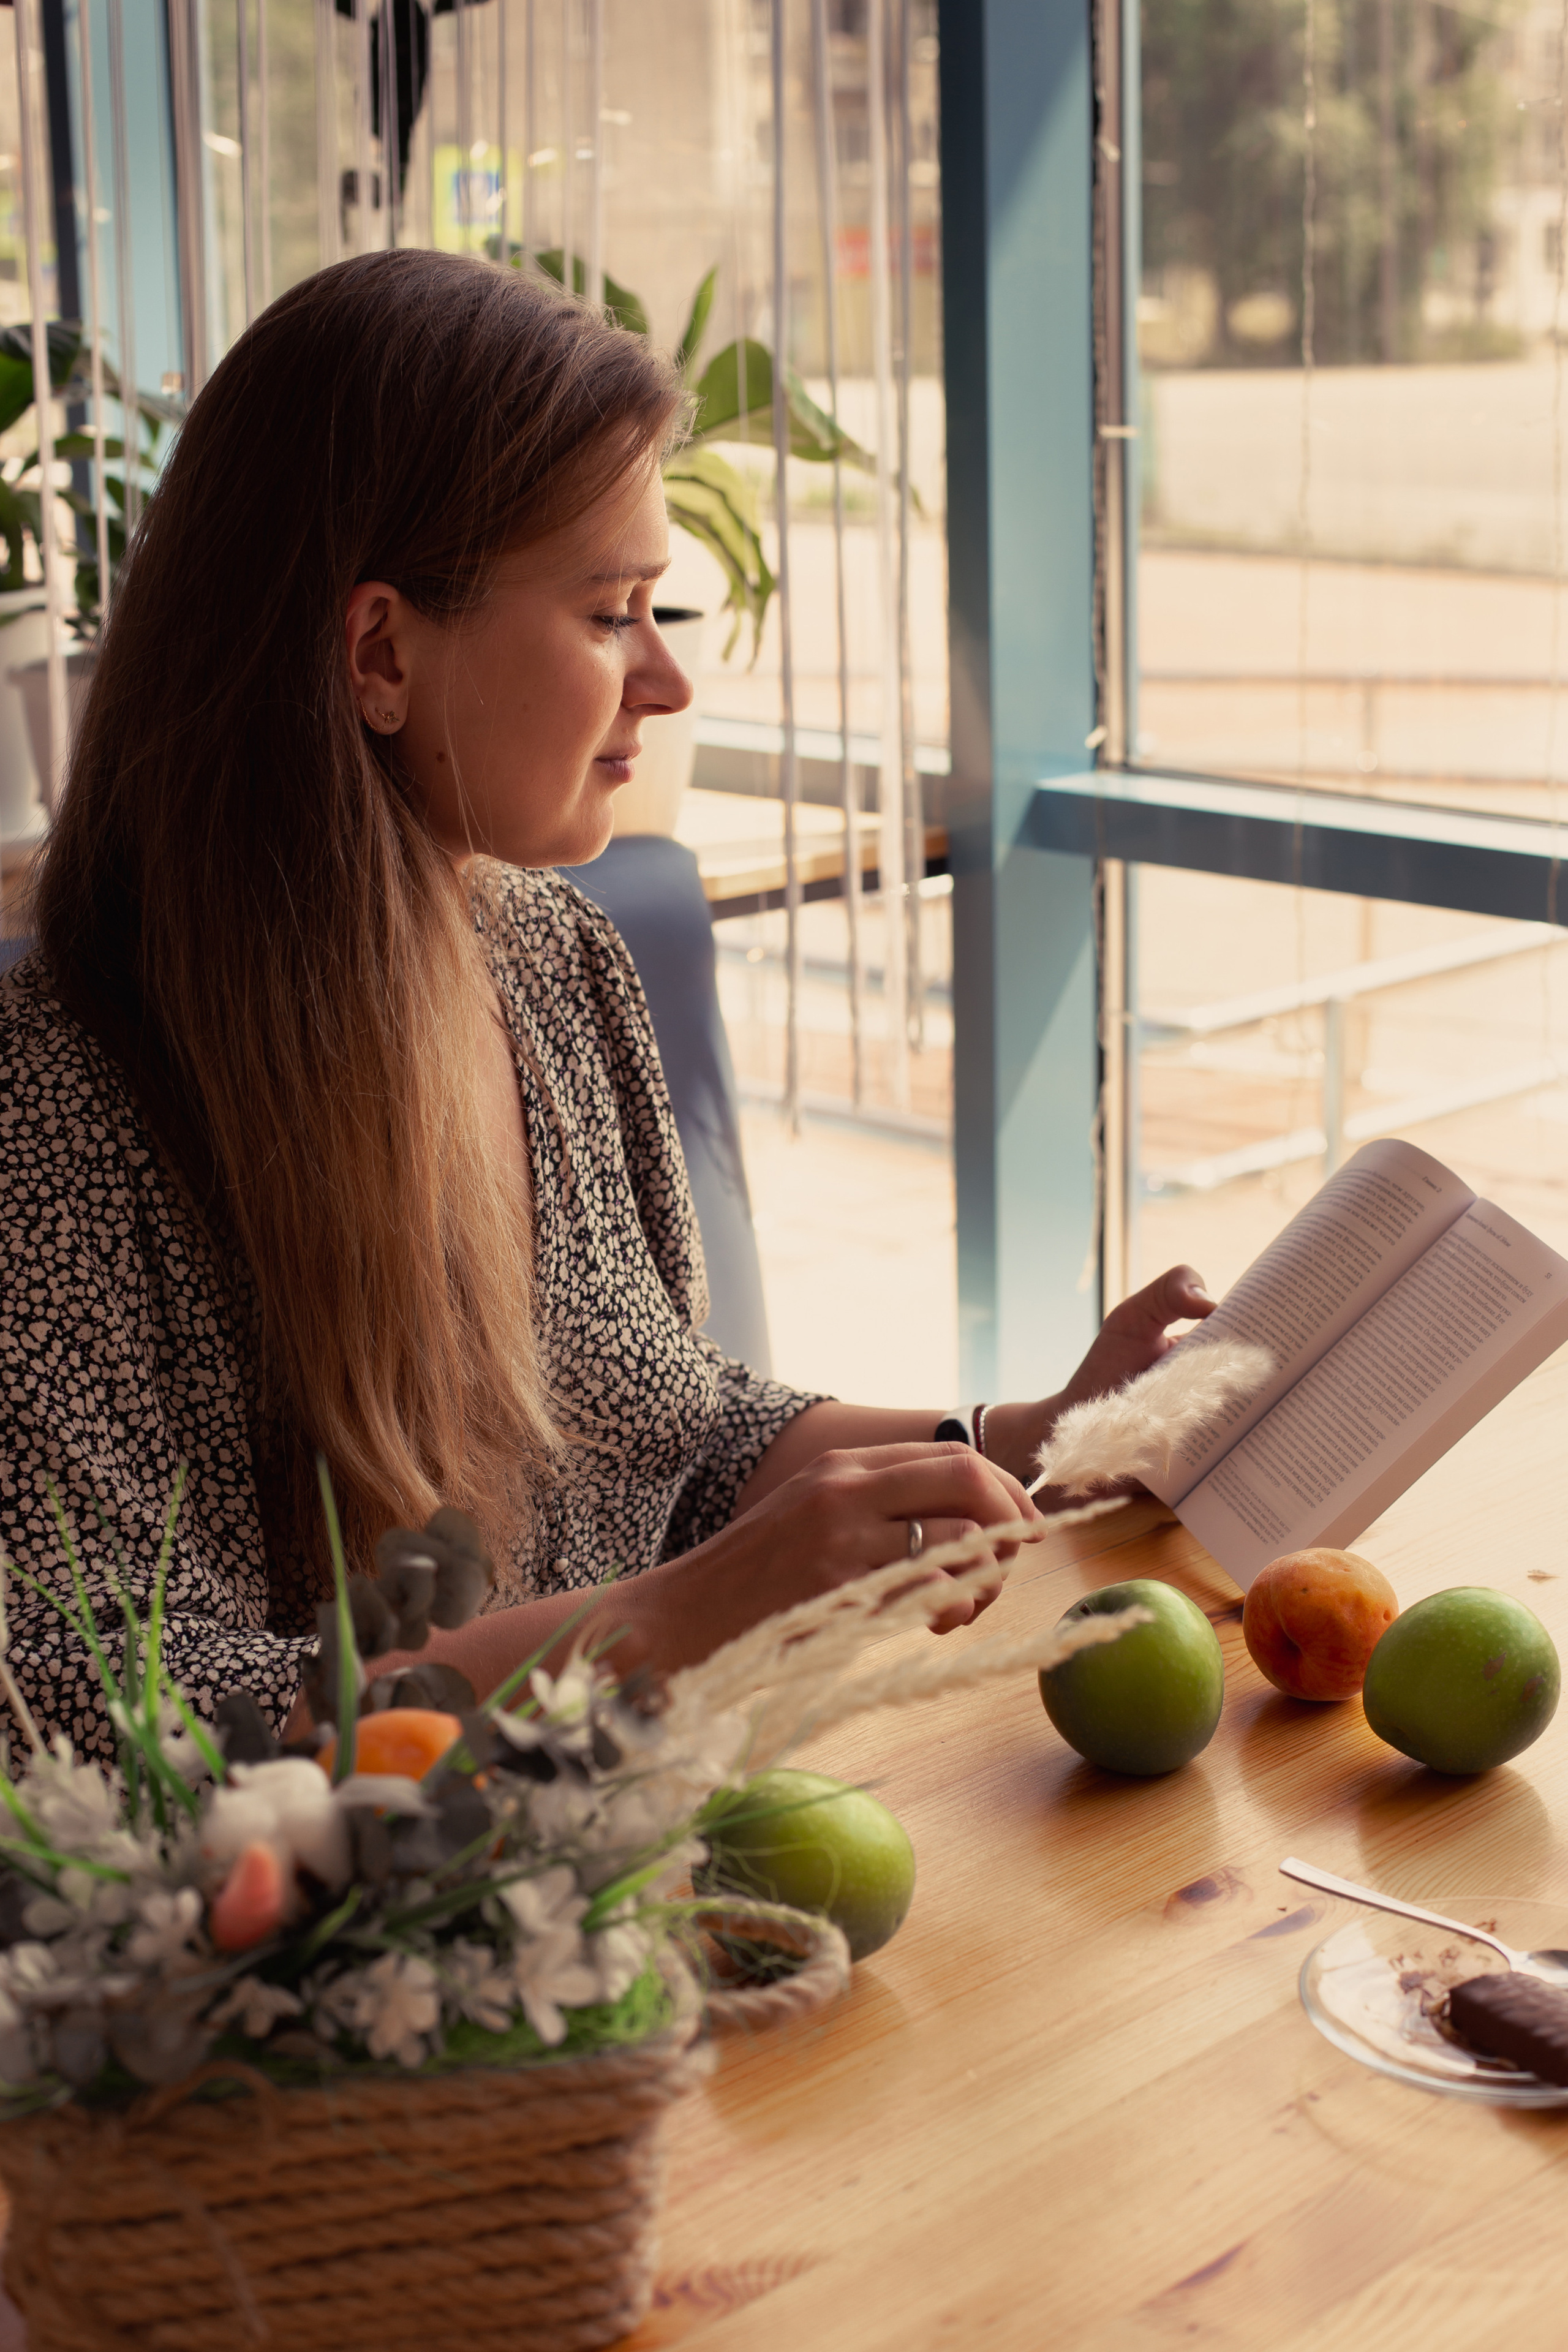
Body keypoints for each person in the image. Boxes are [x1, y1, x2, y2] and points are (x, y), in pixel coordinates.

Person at [0, 250, 1213, 1761]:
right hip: (341, 1963)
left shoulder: (553, 959)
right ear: (377, 651)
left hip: (612, 1865)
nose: (667, 682)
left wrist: (1021, 1439)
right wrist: (660, 1620)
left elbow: (671, 1439)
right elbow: (95, 1730)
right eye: (609, 612)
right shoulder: (58, 1113)